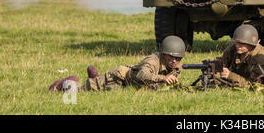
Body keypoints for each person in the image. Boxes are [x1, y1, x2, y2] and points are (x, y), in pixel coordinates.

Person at [48, 35, 186, 92]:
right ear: (163, 53)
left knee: (107, 89)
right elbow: (142, 75)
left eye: (178, 58)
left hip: (130, 87)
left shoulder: (176, 66)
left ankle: (96, 76)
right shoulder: (153, 60)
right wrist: (163, 78)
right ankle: (64, 83)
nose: (174, 61)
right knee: (83, 89)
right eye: (171, 57)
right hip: (120, 78)